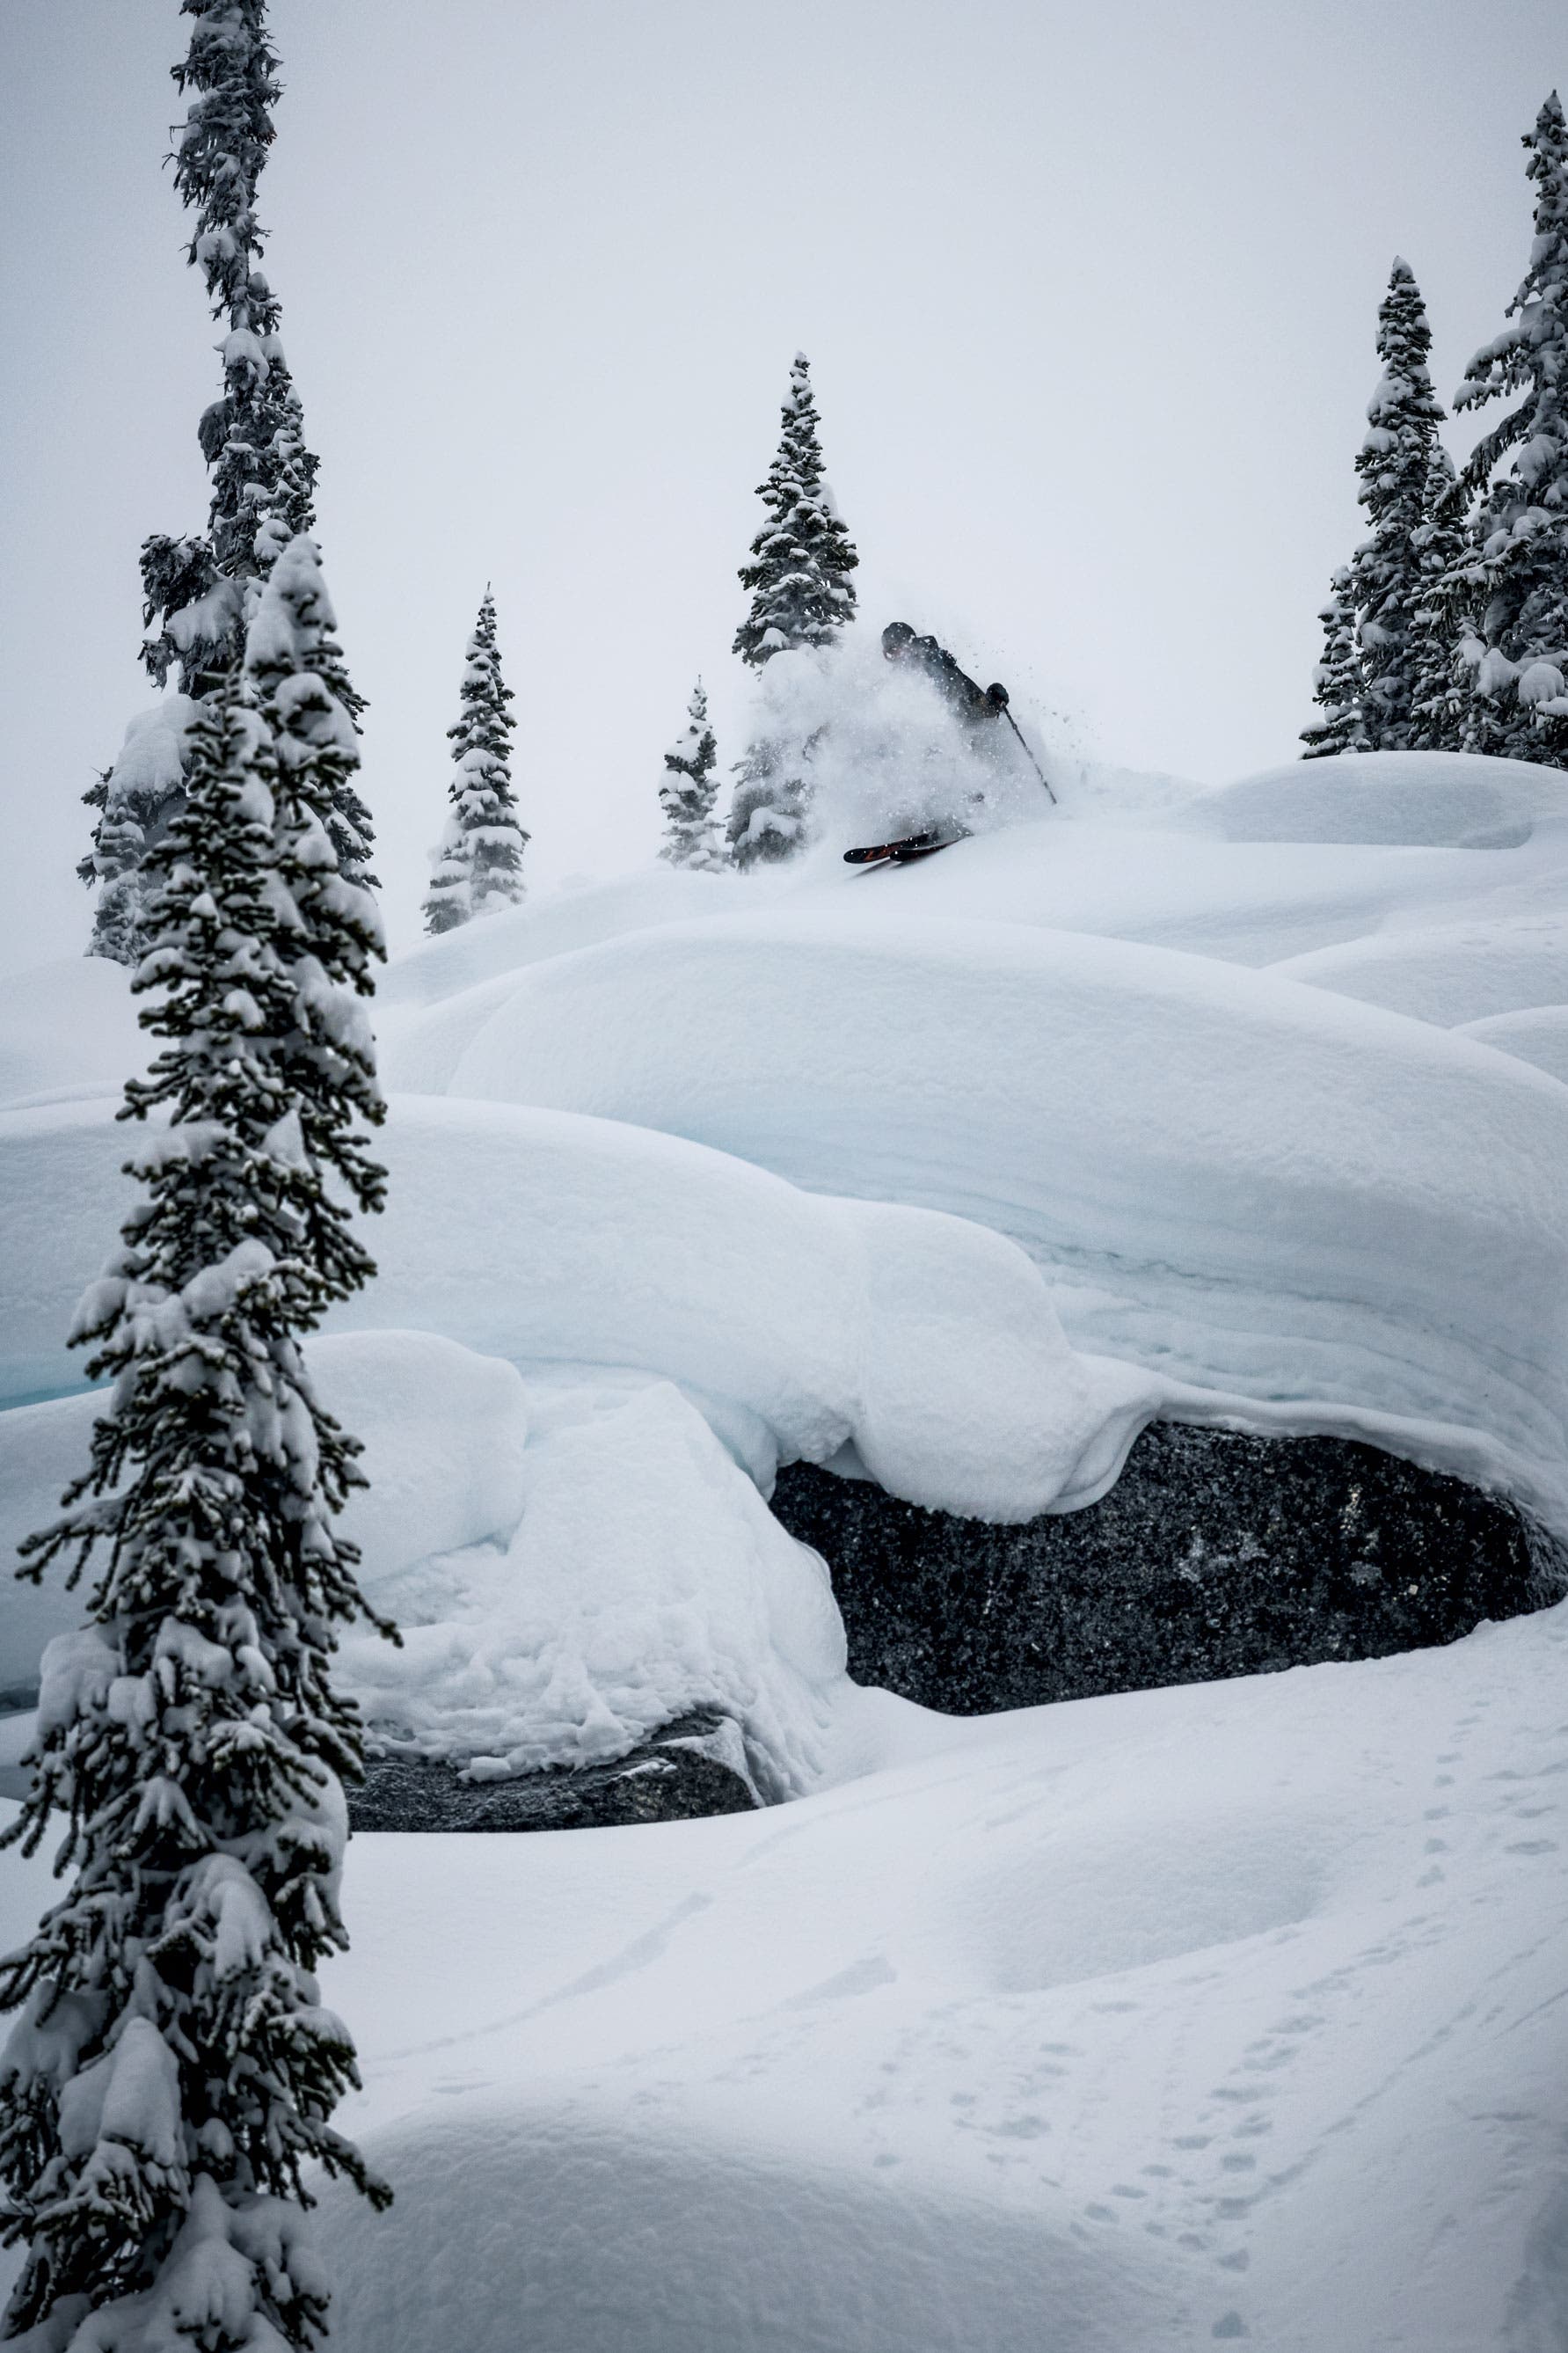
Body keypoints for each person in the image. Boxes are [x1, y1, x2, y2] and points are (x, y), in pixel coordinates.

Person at [881, 620, 1010, 732]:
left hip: (960, 738)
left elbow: (974, 703)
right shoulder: (899, 681)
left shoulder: (935, 664)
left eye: (894, 650)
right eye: (888, 653)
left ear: (909, 645)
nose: (892, 657)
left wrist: (994, 702)